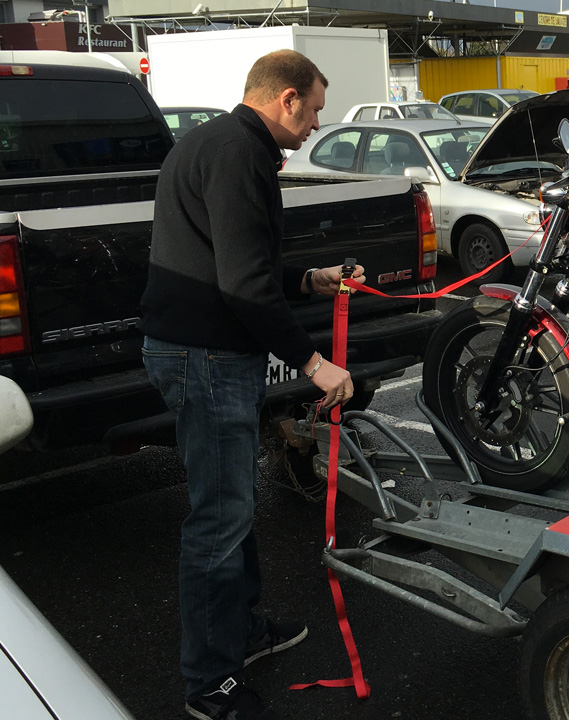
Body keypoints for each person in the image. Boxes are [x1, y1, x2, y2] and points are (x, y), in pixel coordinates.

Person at [139, 49, 365, 720]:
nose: (316, 124)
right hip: (206, 356)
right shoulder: (239, 153)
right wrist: (314, 364)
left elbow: (237, 261)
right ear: (287, 98)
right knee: (219, 518)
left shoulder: (220, 142)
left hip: (202, 350)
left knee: (232, 506)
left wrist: (308, 279)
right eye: (314, 110)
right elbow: (242, 283)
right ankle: (210, 684)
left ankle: (239, 631)